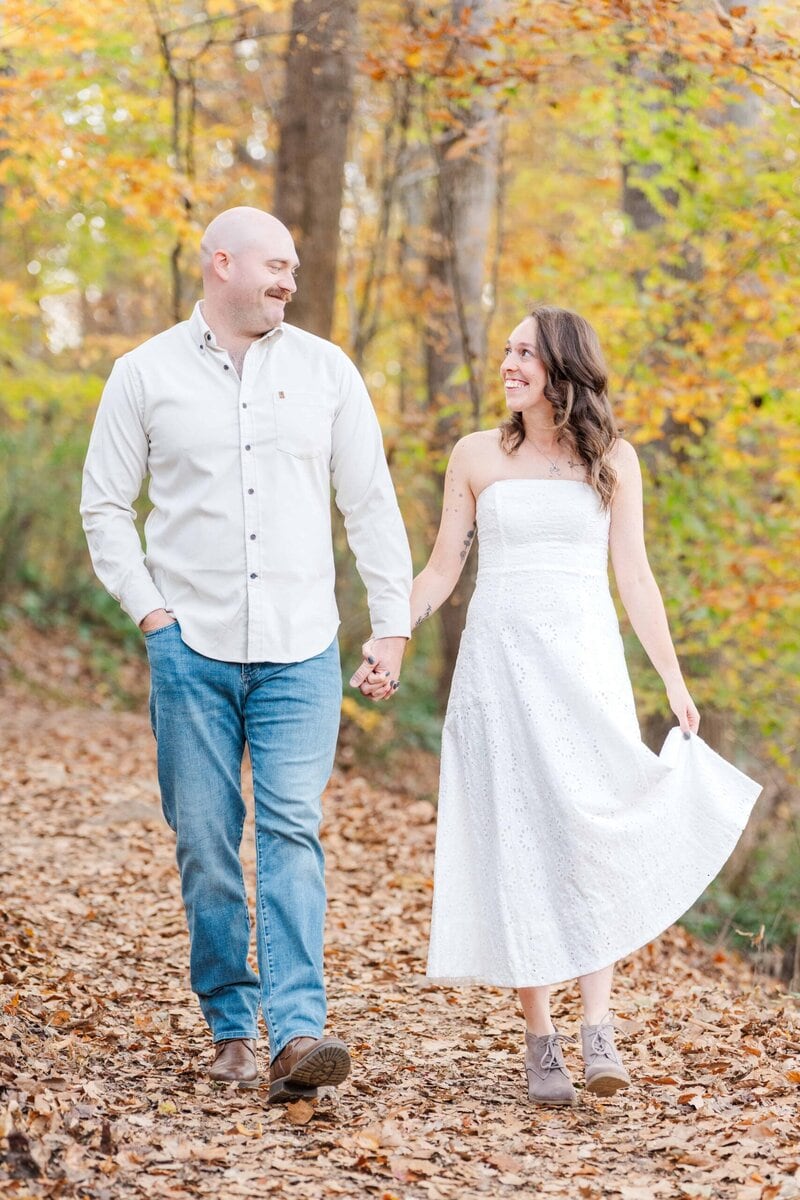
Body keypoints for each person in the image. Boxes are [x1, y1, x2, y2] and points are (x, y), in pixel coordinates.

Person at [368, 304, 761, 1106]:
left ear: (562, 367)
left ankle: (598, 1028)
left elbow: (637, 578)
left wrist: (676, 685)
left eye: (524, 353)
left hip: (584, 666)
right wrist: (391, 630)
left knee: (587, 833)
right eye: (506, 350)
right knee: (520, 836)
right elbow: (443, 570)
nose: (508, 363)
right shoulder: (476, 454)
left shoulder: (614, 459)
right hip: (499, 673)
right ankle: (540, 1036)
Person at [80, 207, 411, 1102]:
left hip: (302, 647)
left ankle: (299, 1032)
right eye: (275, 265)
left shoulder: (326, 371)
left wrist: (391, 622)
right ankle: (230, 1019)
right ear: (221, 263)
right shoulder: (142, 374)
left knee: (291, 828)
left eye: (295, 269)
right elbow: (105, 507)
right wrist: (151, 613)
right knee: (205, 840)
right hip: (191, 645)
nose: (288, 282)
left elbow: (370, 502)